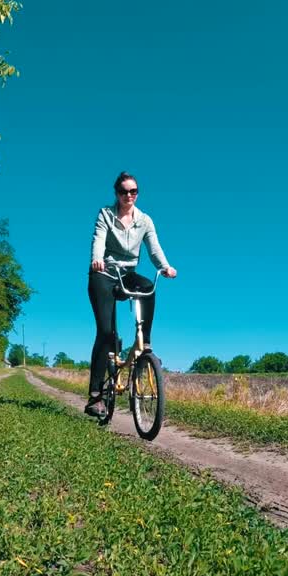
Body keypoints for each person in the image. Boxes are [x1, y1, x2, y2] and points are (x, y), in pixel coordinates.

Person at [86, 171, 177, 418]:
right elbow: (98, 240)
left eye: (133, 191)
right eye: (124, 191)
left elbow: (154, 248)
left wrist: (165, 267)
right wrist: (97, 260)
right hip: (104, 273)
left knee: (147, 286)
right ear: (116, 193)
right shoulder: (106, 214)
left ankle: (144, 343)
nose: (129, 195)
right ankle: (96, 395)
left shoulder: (144, 220)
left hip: (127, 273)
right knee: (106, 333)